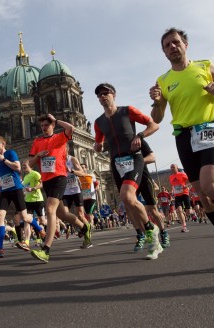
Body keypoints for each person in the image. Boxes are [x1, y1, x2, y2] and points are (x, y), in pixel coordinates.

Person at [149, 28, 214, 271]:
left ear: (186, 44)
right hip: (183, 136)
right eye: (167, 45)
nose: (172, 47)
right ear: (164, 52)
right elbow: (157, 117)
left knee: (213, 187)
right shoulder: (163, 81)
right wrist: (156, 101)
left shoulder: (204, 66)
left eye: (176, 42)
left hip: (209, 129)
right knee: (205, 200)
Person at [93, 82, 163, 260]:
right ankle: (149, 228)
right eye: (99, 95)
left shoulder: (127, 111)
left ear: (113, 94)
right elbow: (99, 146)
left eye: (106, 93)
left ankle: (152, 232)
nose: (103, 97)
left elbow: (154, 125)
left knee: (128, 196)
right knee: (127, 201)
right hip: (116, 164)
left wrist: (140, 136)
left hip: (134, 159)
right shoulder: (99, 122)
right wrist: (97, 146)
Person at [28, 114, 92, 263]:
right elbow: (30, 164)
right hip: (47, 180)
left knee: (49, 209)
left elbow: (71, 128)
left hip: (59, 177)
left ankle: (46, 249)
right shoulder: (37, 142)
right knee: (63, 214)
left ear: (52, 126)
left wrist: (56, 120)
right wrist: (37, 155)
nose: (44, 128)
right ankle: (84, 227)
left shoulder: (59, 138)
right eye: (42, 126)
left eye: (47, 125)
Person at [0, 135, 33, 258]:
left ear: (3, 144)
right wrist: (1, 182)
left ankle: (40, 229)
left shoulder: (10, 153)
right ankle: (0, 248)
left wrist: (3, 159)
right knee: (0, 216)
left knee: (24, 217)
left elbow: (17, 168)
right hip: (6, 190)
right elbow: (6, 174)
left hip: (16, 189)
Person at [134, 138, 170, 250]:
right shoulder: (116, 142)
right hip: (129, 180)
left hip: (143, 178)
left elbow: (152, 157)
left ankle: (163, 233)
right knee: (132, 209)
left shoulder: (137, 139)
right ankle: (141, 235)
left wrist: (138, 162)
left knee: (153, 210)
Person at [169, 164, 192, 232]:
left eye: (173, 167)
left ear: (177, 168)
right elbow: (173, 186)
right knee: (179, 210)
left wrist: (186, 186)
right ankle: (184, 226)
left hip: (185, 193)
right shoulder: (171, 177)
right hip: (177, 195)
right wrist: (172, 191)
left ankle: (187, 215)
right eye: (171, 167)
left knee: (188, 211)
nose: (172, 168)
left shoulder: (182, 174)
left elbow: (190, 181)